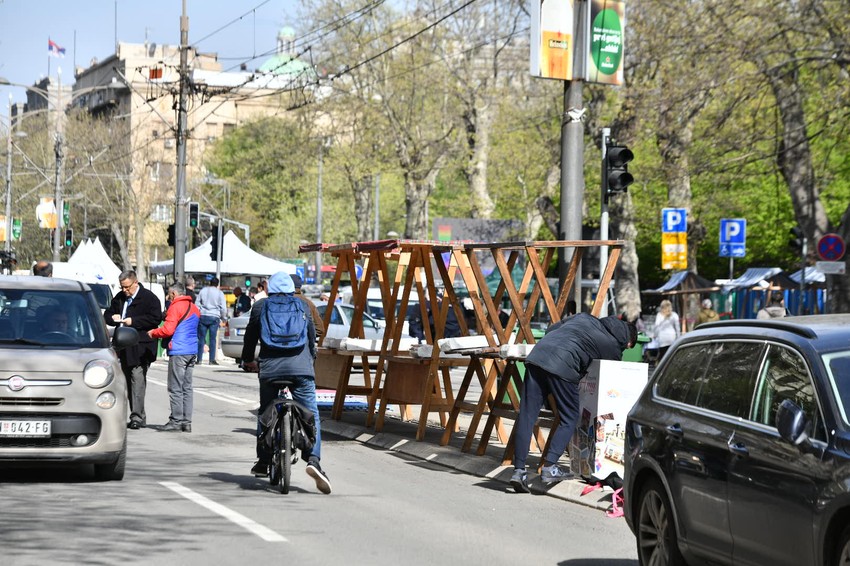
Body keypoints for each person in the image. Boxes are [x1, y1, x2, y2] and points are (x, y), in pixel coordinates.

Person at [510, 313, 637, 493]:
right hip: (562, 366)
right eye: (629, 346)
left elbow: (553, 328)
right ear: (628, 339)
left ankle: (518, 470)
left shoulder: (585, 318)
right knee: (570, 418)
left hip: (537, 356)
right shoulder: (612, 345)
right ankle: (550, 467)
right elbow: (612, 375)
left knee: (527, 415)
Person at [241, 271, 331, 494]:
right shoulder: (302, 306)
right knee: (312, 412)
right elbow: (311, 338)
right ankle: (313, 460)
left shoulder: (261, 307)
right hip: (301, 370)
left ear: (269, 289)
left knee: (266, 410)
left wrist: (247, 360)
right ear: (292, 289)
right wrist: (310, 362)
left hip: (271, 370)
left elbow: (250, 337)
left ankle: (263, 460)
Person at [104, 270, 163, 429]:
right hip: (123, 345)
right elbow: (107, 315)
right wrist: (113, 318)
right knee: (125, 381)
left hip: (141, 346)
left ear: (135, 283)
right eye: (122, 287)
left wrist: (134, 321)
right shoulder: (120, 297)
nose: (124, 290)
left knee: (137, 379)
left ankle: (137, 416)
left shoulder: (149, 298)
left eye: (127, 287)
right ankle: (135, 414)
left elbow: (155, 318)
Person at [148, 282, 201, 432]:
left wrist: (153, 333)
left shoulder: (176, 306)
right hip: (191, 350)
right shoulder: (195, 308)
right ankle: (186, 422)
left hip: (178, 351)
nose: (168, 297)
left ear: (174, 294)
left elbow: (168, 330)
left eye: (169, 294)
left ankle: (176, 420)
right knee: (187, 387)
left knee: (175, 387)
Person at [196, 276, 227, 365]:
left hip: (203, 315)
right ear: (217, 284)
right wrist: (224, 318)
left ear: (210, 283)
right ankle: (211, 359)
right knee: (213, 339)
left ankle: (199, 359)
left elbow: (197, 304)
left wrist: (198, 313)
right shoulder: (220, 293)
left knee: (201, 338)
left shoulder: (203, 291)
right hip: (214, 316)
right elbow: (223, 308)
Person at [291, 274, 324, 339]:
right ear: (300, 286)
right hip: (303, 346)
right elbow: (320, 329)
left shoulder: (281, 301)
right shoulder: (309, 303)